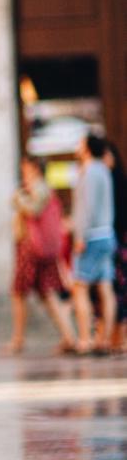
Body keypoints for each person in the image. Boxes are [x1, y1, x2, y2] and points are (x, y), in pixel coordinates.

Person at [5, 156, 76, 355]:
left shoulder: (39, 187)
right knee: (47, 293)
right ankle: (68, 336)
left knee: (18, 292)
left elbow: (33, 210)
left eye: (25, 167)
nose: (23, 171)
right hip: (39, 249)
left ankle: (18, 339)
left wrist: (18, 197)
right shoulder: (42, 188)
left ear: (34, 168)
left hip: (32, 249)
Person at [70, 134, 117, 354]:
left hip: (91, 237)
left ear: (88, 148)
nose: (77, 146)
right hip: (107, 233)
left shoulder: (88, 171)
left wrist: (80, 236)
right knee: (105, 287)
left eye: (81, 142)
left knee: (80, 287)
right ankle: (105, 339)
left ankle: (85, 339)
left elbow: (85, 208)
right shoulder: (104, 170)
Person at [105, 142, 127, 353]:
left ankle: (120, 337)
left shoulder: (117, 182)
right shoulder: (107, 180)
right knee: (115, 290)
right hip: (114, 241)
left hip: (120, 242)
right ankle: (115, 337)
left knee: (120, 290)